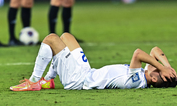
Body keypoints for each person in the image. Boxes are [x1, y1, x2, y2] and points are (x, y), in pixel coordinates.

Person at [10, 33, 176, 91]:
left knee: (51, 39)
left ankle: (33, 82)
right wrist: (167, 68)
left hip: (78, 80)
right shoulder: (148, 75)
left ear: (154, 78)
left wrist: (162, 68)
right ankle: (48, 80)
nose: (154, 66)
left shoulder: (137, 80)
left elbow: (138, 53)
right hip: (87, 72)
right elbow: (155, 50)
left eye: (156, 71)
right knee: (66, 37)